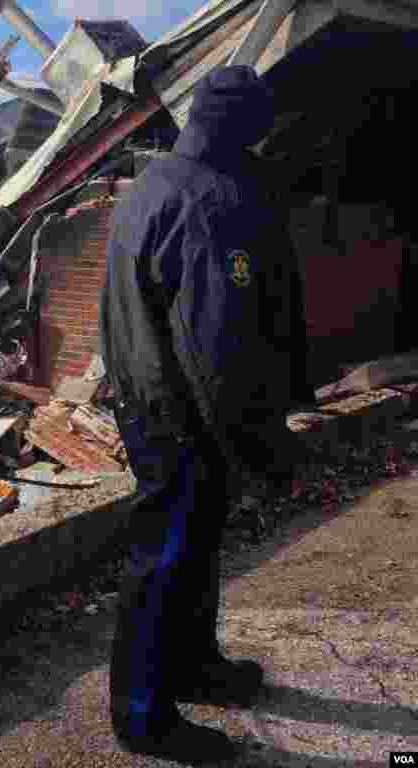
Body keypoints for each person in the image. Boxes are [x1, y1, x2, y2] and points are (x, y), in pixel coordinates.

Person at [99, 65, 312, 762]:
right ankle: (143, 715)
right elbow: (216, 340)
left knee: (189, 554)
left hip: (146, 400)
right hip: (186, 415)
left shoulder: (148, 186)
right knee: (164, 562)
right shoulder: (215, 201)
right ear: (245, 126)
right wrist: (257, 439)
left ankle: (194, 669)